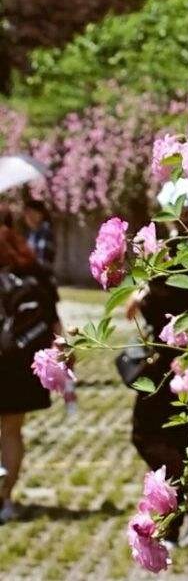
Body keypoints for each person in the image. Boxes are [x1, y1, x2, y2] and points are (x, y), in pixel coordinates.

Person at [127, 181, 188, 550]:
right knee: (180, 443)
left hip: (167, 365)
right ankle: (174, 527)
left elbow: (158, 306)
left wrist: (141, 295)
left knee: (146, 435)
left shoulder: (172, 257)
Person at [0, 209, 60, 526]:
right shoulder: (29, 262)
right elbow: (52, 313)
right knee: (11, 430)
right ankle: (5, 499)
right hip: (20, 359)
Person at [20, 194, 55, 272]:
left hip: (41, 278)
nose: (28, 217)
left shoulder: (45, 232)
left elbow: (42, 260)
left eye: (31, 213)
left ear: (40, 214)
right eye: (26, 213)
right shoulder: (30, 234)